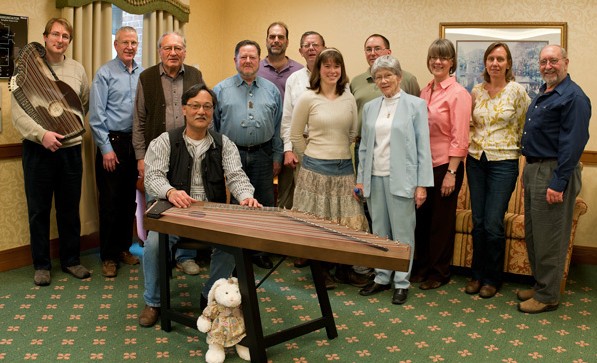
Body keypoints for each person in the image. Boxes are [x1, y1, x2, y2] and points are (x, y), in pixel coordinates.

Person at [139, 84, 262, 327]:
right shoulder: (165, 141)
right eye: (195, 106)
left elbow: (236, 176)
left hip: (210, 213)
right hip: (174, 211)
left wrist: (246, 196)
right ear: (184, 109)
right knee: (153, 245)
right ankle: (153, 301)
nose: (201, 111)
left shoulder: (224, 143)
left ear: (213, 111)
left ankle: (209, 296)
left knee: (231, 243)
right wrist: (171, 192)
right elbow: (152, 177)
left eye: (207, 106)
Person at [11, 18, 90, 286]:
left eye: (65, 36)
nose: (60, 39)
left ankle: (71, 261)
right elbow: (19, 112)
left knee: (69, 209)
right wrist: (42, 134)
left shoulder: (77, 69)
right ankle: (41, 265)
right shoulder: (27, 70)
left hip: (70, 151)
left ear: (69, 40)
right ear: (44, 37)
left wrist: (66, 129)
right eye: (55, 34)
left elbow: (82, 105)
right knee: (39, 209)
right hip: (38, 151)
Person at [517, 45, 590, 314]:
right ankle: (541, 286)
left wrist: (558, 183)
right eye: (543, 61)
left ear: (565, 62)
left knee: (550, 238)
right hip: (535, 169)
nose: (548, 66)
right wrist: (528, 171)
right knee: (535, 235)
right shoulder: (544, 93)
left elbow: (573, 144)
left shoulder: (574, 97)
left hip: (555, 171)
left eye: (553, 61)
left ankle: (548, 296)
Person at [356, 55, 433, 305]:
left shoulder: (415, 105)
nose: (383, 80)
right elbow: (364, 147)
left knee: (402, 233)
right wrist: (361, 180)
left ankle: (401, 281)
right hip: (374, 176)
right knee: (379, 232)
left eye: (388, 75)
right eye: (378, 77)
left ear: (399, 77)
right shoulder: (370, 108)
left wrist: (421, 184)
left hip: (403, 178)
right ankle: (381, 277)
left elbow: (423, 147)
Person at [290, 48, 370, 289]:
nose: (332, 71)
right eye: (327, 66)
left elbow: (353, 133)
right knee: (318, 224)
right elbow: (295, 135)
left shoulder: (348, 96)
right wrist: (311, 160)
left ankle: (345, 270)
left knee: (346, 223)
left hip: (344, 169)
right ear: (319, 70)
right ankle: (321, 272)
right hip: (314, 171)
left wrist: (337, 154)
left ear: (341, 69)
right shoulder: (307, 97)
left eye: (337, 66)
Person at [132, 31, 205, 276]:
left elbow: (202, 111)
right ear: (159, 51)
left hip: (189, 153)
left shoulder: (195, 75)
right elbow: (139, 120)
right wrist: (141, 157)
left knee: (187, 203)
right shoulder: (147, 77)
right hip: (157, 156)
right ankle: (161, 257)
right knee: (160, 206)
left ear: (185, 51)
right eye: (167, 48)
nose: (173, 53)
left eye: (178, 48)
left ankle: (185, 256)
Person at [464, 42, 531, 298]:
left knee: (493, 222)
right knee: (478, 222)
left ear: (508, 63)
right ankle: (476, 275)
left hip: (504, 162)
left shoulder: (517, 91)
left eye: (500, 59)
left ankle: (492, 278)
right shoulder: (476, 91)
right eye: (491, 58)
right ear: (485, 63)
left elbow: (527, 125)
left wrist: (527, 159)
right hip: (476, 160)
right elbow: (469, 123)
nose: (495, 63)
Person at [213, 40, 283, 270]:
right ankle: (237, 252)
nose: (248, 61)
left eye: (252, 57)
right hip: (232, 155)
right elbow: (212, 127)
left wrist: (277, 157)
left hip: (263, 153)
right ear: (235, 60)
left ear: (259, 61)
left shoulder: (271, 91)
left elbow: (278, 125)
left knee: (263, 203)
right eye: (243, 57)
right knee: (236, 205)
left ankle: (260, 251)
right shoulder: (220, 90)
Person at [415, 39, 471, 290]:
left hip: (445, 166)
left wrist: (451, 172)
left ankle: (439, 272)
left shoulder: (459, 94)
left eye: (443, 57)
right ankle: (423, 267)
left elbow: (460, 136)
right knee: (422, 220)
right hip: (423, 166)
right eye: (433, 57)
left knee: (441, 222)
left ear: (452, 62)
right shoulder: (425, 91)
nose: (437, 62)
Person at [89, 26, 143, 278]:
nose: (130, 47)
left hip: (135, 144)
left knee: (128, 201)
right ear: (116, 45)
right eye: (125, 42)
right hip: (112, 144)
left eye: (134, 42)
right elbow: (96, 116)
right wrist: (106, 149)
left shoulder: (143, 74)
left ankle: (123, 249)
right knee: (110, 202)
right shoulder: (105, 74)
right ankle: (108, 256)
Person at [281, 31, 326, 268]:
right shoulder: (294, 80)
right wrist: (289, 148)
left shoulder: (334, 75)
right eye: (306, 45)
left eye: (315, 45)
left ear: (323, 48)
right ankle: (304, 247)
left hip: (326, 143)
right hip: (301, 141)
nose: (311, 49)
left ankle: (324, 248)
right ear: (300, 51)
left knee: (324, 197)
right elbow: (287, 118)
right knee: (303, 198)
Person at [351, 34, 420, 175]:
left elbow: (416, 115)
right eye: (368, 49)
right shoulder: (356, 82)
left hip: (397, 146)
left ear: (388, 52)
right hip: (364, 145)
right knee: (365, 191)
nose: (372, 53)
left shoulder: (407, 79)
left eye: (377, 48)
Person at [257, 22, 304, 211]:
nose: (276, 40)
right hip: (264, 143)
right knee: (263, 195)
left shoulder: (300, 71)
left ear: (287, 41)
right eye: (272, 36)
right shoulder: (255, 68)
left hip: (293, 141)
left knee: (290, 194)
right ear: (267, 40)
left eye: (280, 37)